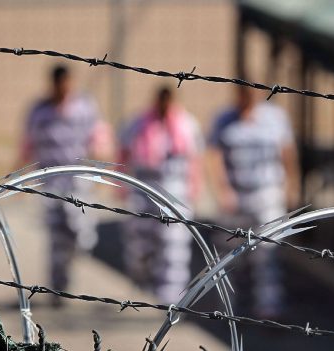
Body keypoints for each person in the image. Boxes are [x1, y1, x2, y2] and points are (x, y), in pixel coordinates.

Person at [20, 64, 111, 305]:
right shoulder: (40, 111)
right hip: (50, 181)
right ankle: (58, 288)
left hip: (77, 181)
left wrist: (101, 170)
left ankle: (67, 270)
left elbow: (98, 137)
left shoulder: (84, 107)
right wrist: (19, 177)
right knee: (55, 237)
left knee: (81, 235)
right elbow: (27, 144)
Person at [208, 86, 300, 318]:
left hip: (267, 193)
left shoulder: (275, 118)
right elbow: (214, 156)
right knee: (230, 251)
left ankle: (269, 306)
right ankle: (228, 305)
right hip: (237, 194)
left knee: (267, 250)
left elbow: (287, 152)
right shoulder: (224, 119)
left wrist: (292, 185)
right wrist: (222, 190)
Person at [120, 86, 202, 304]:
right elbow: (123, 151)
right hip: (145, 189)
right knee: (140, 248)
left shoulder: (186, 124)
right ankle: (143, 282)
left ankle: (171, 300)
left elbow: (194, 159)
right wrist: (121, 184)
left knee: (174, 248)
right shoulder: (139, 123)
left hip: (175, 191)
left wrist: (194, 188)